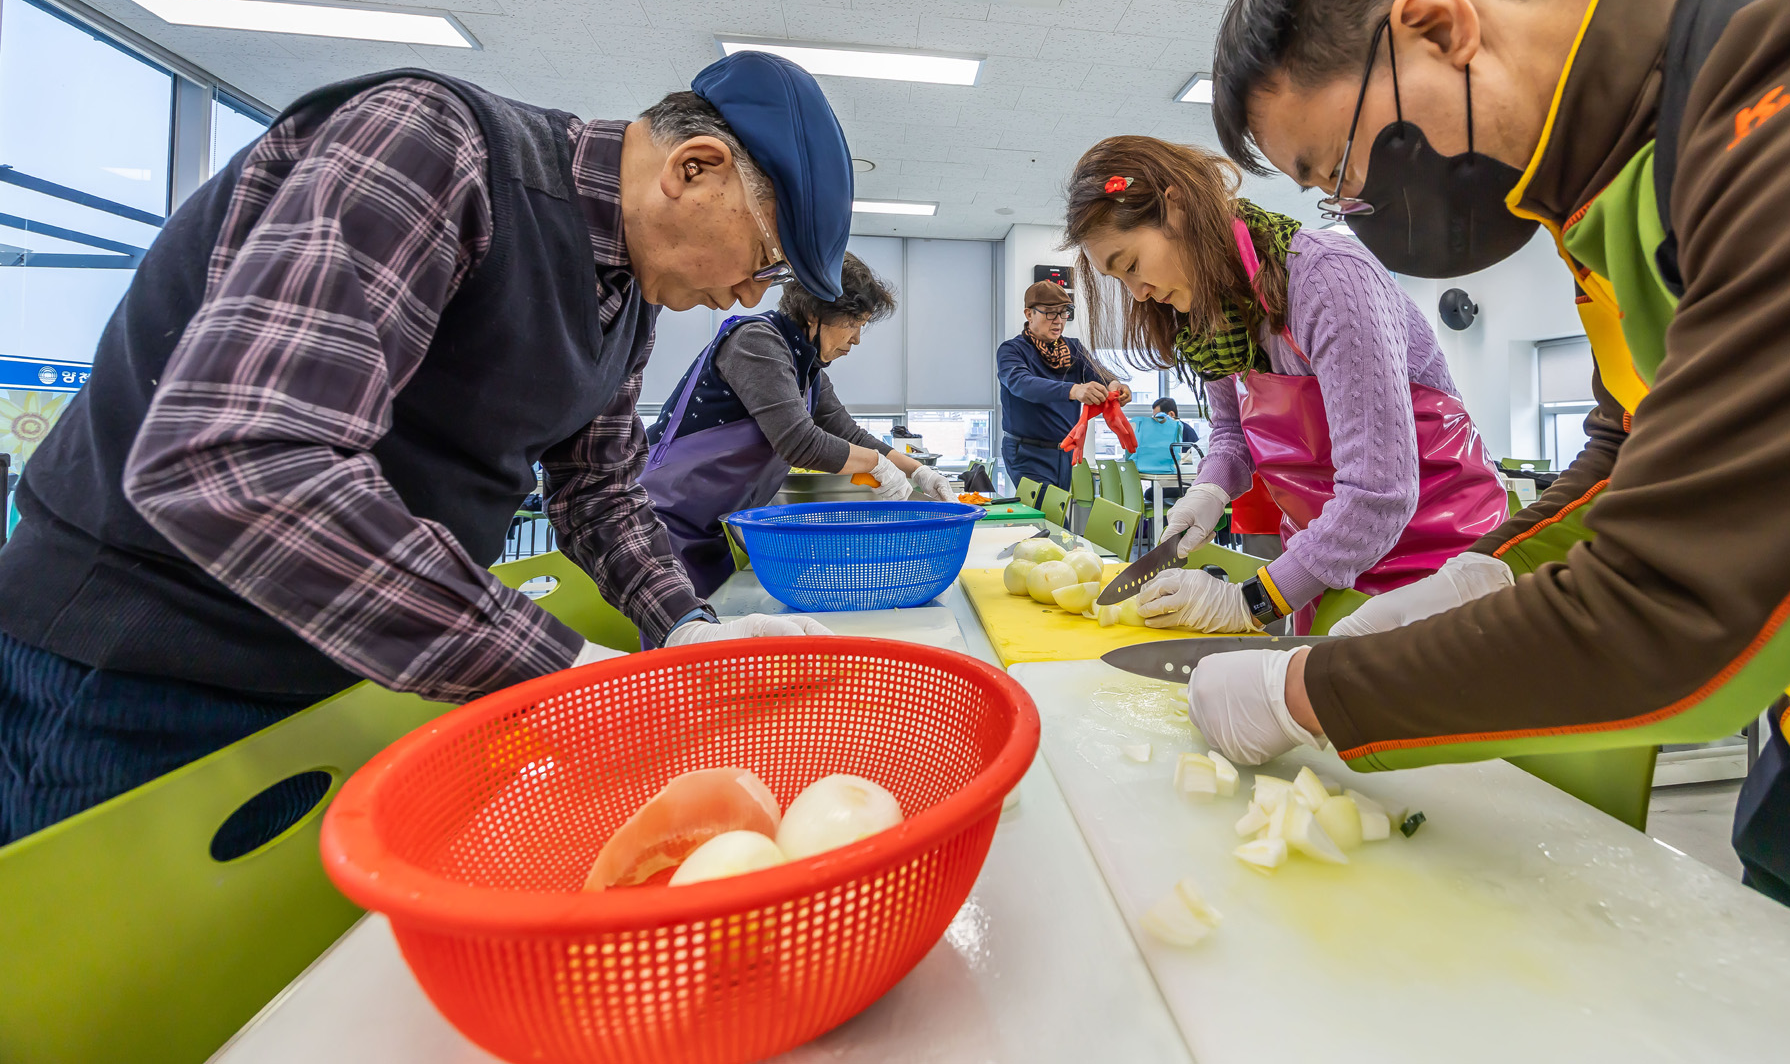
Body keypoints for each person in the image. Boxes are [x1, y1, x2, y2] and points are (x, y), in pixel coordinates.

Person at [1194, 0, 1790, 1009]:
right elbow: (1624, 457)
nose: (1353, 207)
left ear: (1438, 26)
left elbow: (1679, 610)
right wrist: (1472, 579)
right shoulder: (1615, 189)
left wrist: (1311, 689)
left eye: (1338, 165)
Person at [0, 51, 852, 844]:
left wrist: (683, 625)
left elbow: (600, 489)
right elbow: (243, 459)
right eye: (765, 259)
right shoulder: (435, 147)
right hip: (133, 671)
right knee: (114, 986)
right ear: (692, 168)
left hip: (348, 669)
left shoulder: (627, 293)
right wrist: (561, 672)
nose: (746, 293)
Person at [1063, 135, 1507, 635]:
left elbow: (1379, 492)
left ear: (1177, 208)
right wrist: (1210, 489)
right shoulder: (1214, 319)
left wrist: (1249, 603)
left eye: (1131, 265)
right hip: (1327, 563)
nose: (1138, 292)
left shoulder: (1330, 281)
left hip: (1433, 563)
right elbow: (1232, 432)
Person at [639, 252, 952, 595]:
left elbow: (849, 434)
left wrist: (917, 472)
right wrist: (875, 465)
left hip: (716, 525)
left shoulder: (807, 368)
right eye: (852, 323)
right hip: (670, 523)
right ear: (815, 311)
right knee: (684, 639)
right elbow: (800, 443)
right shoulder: (756, 342)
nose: (857, 339)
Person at [994, 280, 1132, 492]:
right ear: (1029, 314)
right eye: (1050, 313)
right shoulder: (1012, 350)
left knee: (1055, 518)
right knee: (1047, 516)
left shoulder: (1073, 348)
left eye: (1064, 313)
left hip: (1065, 452)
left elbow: (1101, 375)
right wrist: (1075, 390)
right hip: (1026, 452)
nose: (1058, 321)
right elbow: (1022, 384)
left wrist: (1116, 385)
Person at [1132, 397, 1201, 476]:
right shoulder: (1160, 434)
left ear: (1171, 414)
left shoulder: (1186, 431)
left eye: (1158, 417)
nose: (1156, 421)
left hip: (1180, 478)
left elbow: (1190, 460)